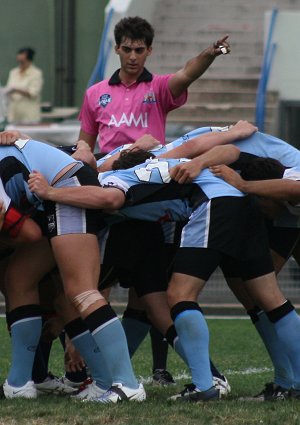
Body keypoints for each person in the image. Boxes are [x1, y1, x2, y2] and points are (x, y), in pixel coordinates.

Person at [0, 137, 145, 403]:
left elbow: (29, 234)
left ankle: (127, 383)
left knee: (81, 291)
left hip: (66, 190)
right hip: (52, 196)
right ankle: (20, 383)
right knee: (18, 279)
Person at [78, 16, 230, 153]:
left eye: (139, 50)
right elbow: (84, 147)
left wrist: (210, 54)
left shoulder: (159, 87)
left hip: (151, 170)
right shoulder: (94, 93)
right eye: (126, 49)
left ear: (149, 51)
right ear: (117, 49)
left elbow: (187, 73)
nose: (132, 57)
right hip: (109, 171)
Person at [6, 47, 43, 124]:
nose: (20, 64)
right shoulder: (13, 72)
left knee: (28, 136)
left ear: (29, 61)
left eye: (22, 61)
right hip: (14, 115)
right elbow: (8, 89)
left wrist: (16, 90)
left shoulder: (36, 73)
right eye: (19, 61)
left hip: (29, 116)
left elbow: (33, 93)